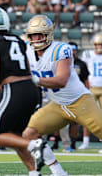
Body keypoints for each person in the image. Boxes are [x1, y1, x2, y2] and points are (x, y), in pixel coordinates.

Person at [0, 8, 66, 176]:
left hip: (14, 89)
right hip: (31, 88)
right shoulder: (17, 40)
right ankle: (53, 172)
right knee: (17, 136)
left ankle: (35, 146)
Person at [24, 15, 102, 174]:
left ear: (49, 34)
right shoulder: (26, 50)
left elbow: (61, 80)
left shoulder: (61, 49)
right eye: (34, 34)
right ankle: (59, 172)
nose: (37, 38)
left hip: (80, 101)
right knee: (28, 134)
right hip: (57, 105)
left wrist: (33, 79)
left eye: (41, 34)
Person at [80, 33, 102, 149]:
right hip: (92, 88)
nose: (99, 47)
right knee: (88, 115)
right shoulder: (87, 54)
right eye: (98, 44)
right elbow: (83, 71)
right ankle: (85, 141)